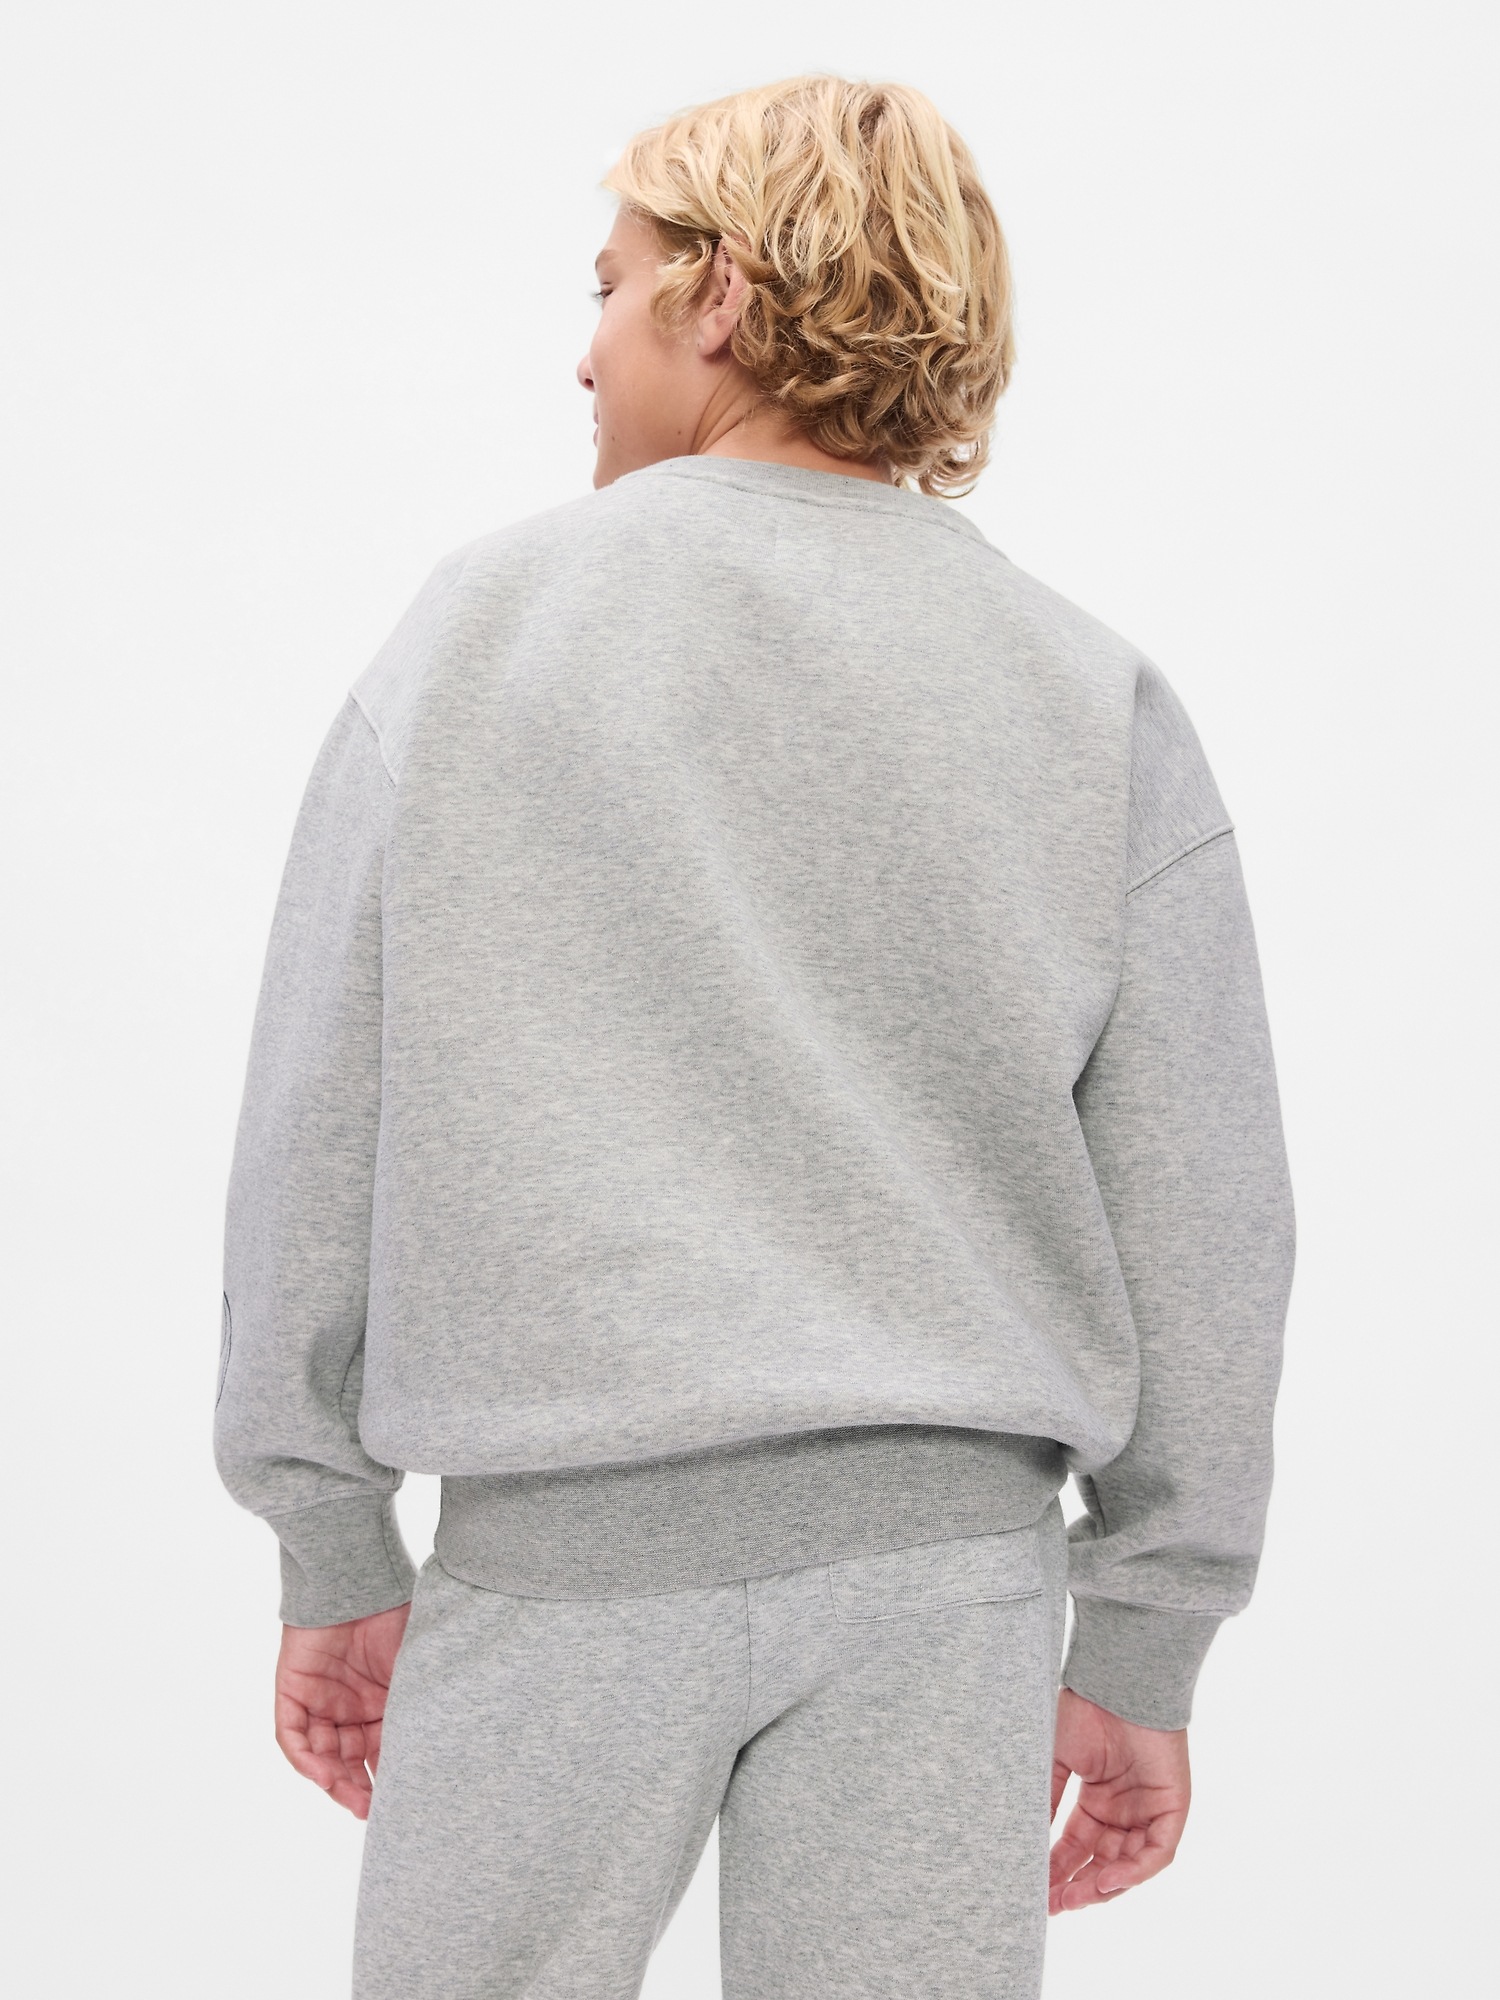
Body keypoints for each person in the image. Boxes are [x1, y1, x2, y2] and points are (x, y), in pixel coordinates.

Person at [214, 73, 1295, 2000]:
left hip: (555, 1565)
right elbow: (1207, 1207)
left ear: (718, 298)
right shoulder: (1088, 696)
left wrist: (330, 1537)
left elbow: (318, 1113)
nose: (582, 352)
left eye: (610, 285)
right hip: (944, 1585)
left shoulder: (478, 634)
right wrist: (1146, 1635)